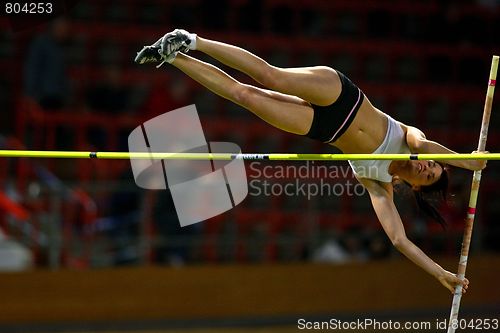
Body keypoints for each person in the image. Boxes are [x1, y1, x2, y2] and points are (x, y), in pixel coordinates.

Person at [134, 29, 487, 294]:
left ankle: (173, 56)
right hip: (340, 95)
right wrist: (466, 163)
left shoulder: (376, 182)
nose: (427, 168)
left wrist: (437, 272)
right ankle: (191, 40)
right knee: (270, 76)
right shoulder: (412, 138)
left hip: (323, 128)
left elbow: (398, 240)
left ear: (413, 187)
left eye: (427, 177)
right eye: (434, 165)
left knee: (246, 96)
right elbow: (426, 145)